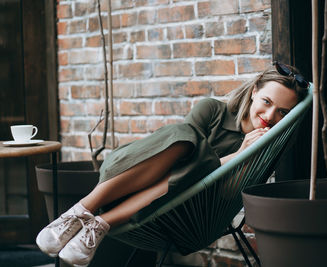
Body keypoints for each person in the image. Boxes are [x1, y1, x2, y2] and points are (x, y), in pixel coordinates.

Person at [36, 61, 309, 267]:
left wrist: (243, 155)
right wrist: (233, 156)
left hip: (187, 213)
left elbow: (226, 195)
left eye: (282, 112)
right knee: (186, 137)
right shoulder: (212, 111)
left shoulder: (266, 146)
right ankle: (82, 211)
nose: (270, 115)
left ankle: (98, 223)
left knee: (190, 164)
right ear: (253, 92)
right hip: (126, 183)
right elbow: (174, 145)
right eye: (267, 102)